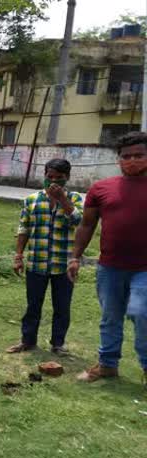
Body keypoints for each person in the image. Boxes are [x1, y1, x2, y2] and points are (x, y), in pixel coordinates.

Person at [69, 132, 147, 383]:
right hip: (110, 267)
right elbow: (86, 225)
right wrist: (75, 257)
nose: (132, 160)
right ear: (119, 159)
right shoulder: (101, 188)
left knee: (141, 313)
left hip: (144, 269)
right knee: (110, 317)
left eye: (139, 155)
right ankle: (107, 365)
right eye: (127, 156)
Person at [8, 159, 83, 355]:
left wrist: (62, 200)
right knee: (33, 305)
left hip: (64, 264)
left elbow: (78, 222)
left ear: (67, 177)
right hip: (36, 262)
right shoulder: (32, 200)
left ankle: (58, 344)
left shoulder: (75, 199)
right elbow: (23, 228)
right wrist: (18, 256)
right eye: (50, 177)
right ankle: (28, 341)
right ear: (44, 176)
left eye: (59, 178)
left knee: (62, 307)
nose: (54, 182)